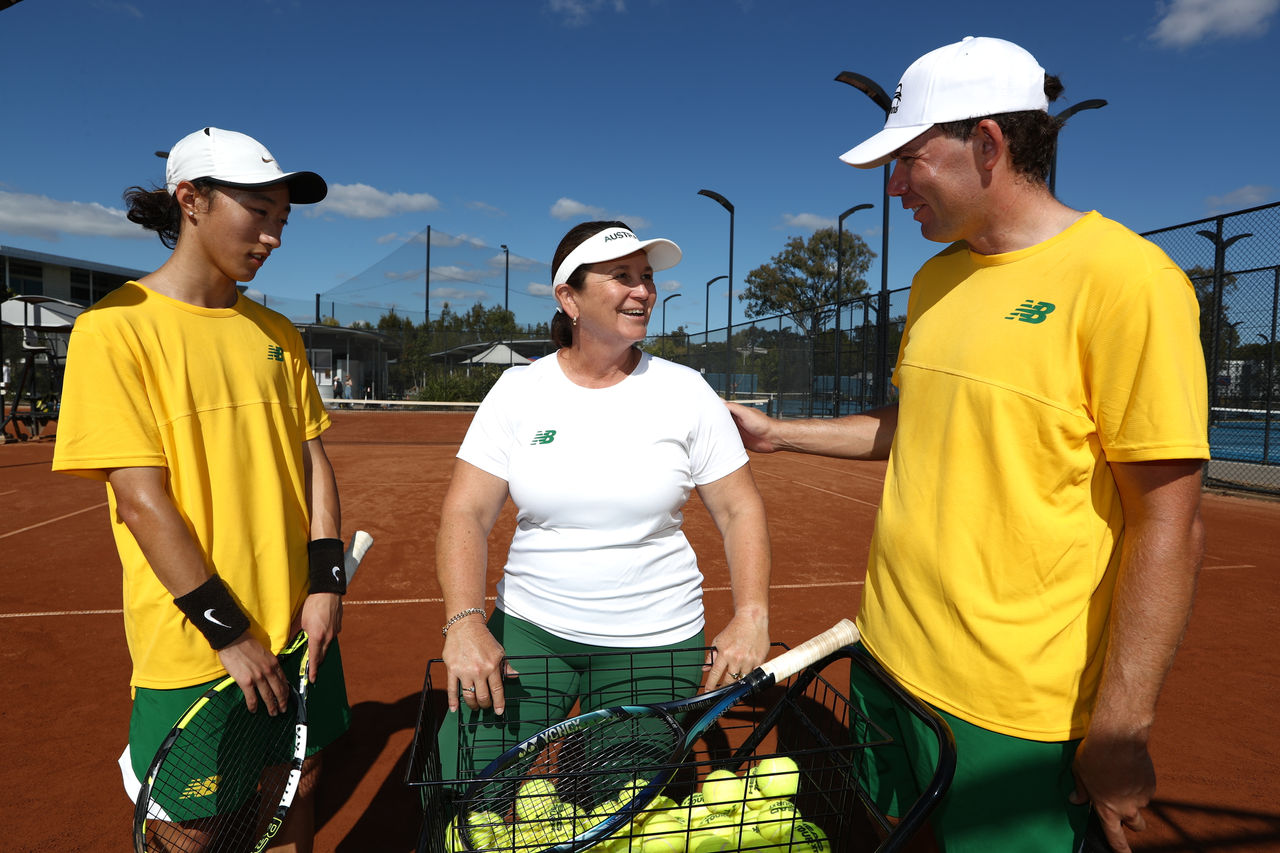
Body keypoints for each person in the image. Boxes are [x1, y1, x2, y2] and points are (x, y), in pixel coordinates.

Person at [727, 37, 1208, 853]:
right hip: (887, 662)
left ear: (988, 145)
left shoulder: (1131, 282)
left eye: (909, 158)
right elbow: (915, 421)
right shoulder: (936, 278)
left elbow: (1169, 524)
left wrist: (1122, 727)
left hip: (1013, 712)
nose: (896, 184)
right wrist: (779, 434)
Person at [51, 127, 351, 852]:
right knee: (193, 830)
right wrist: (228, 631)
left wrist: (327, 583)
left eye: (283, 217)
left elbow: (313, 462)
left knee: (295, 790)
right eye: (258, 211)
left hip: (296, 627)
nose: (273, 235)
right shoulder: (114, 328)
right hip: (200, 643)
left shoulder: (277, 330)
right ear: (190, 200)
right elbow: (140, 499)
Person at [436, 221, 771, 783]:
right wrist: (465, 623)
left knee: (615, 805)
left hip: (655, 641)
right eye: (622, 277)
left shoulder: (686, 391)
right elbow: (466, 512)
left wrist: (752, 615)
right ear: (569, 297)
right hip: (530, 631)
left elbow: (740, 509)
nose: (643, 291)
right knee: (461, 782)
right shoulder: (520, 391)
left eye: (646, 278)